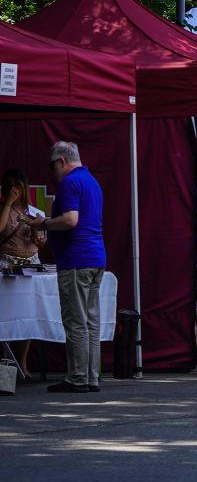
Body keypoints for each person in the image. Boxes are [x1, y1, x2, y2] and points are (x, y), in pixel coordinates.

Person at [33, 142, 107, 394]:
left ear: (61, 162)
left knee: (76, 321)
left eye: (53, 166)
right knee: (91, 321)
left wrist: (44, 223)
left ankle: (77, 377)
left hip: (76, 259)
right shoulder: (92, 182)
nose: (53, 172)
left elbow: (71, 219)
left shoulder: (69, 183)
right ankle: (91, 377)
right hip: (96, 258)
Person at [0, 168, 47, 261]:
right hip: (7, 262)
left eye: (17, 185)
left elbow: (41, 243)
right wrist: (8, 203)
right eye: (9, 186)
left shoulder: (35, 211)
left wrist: (40, 239)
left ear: (24, 188)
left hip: (32, 262)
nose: (13, 190)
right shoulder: (2, 208)